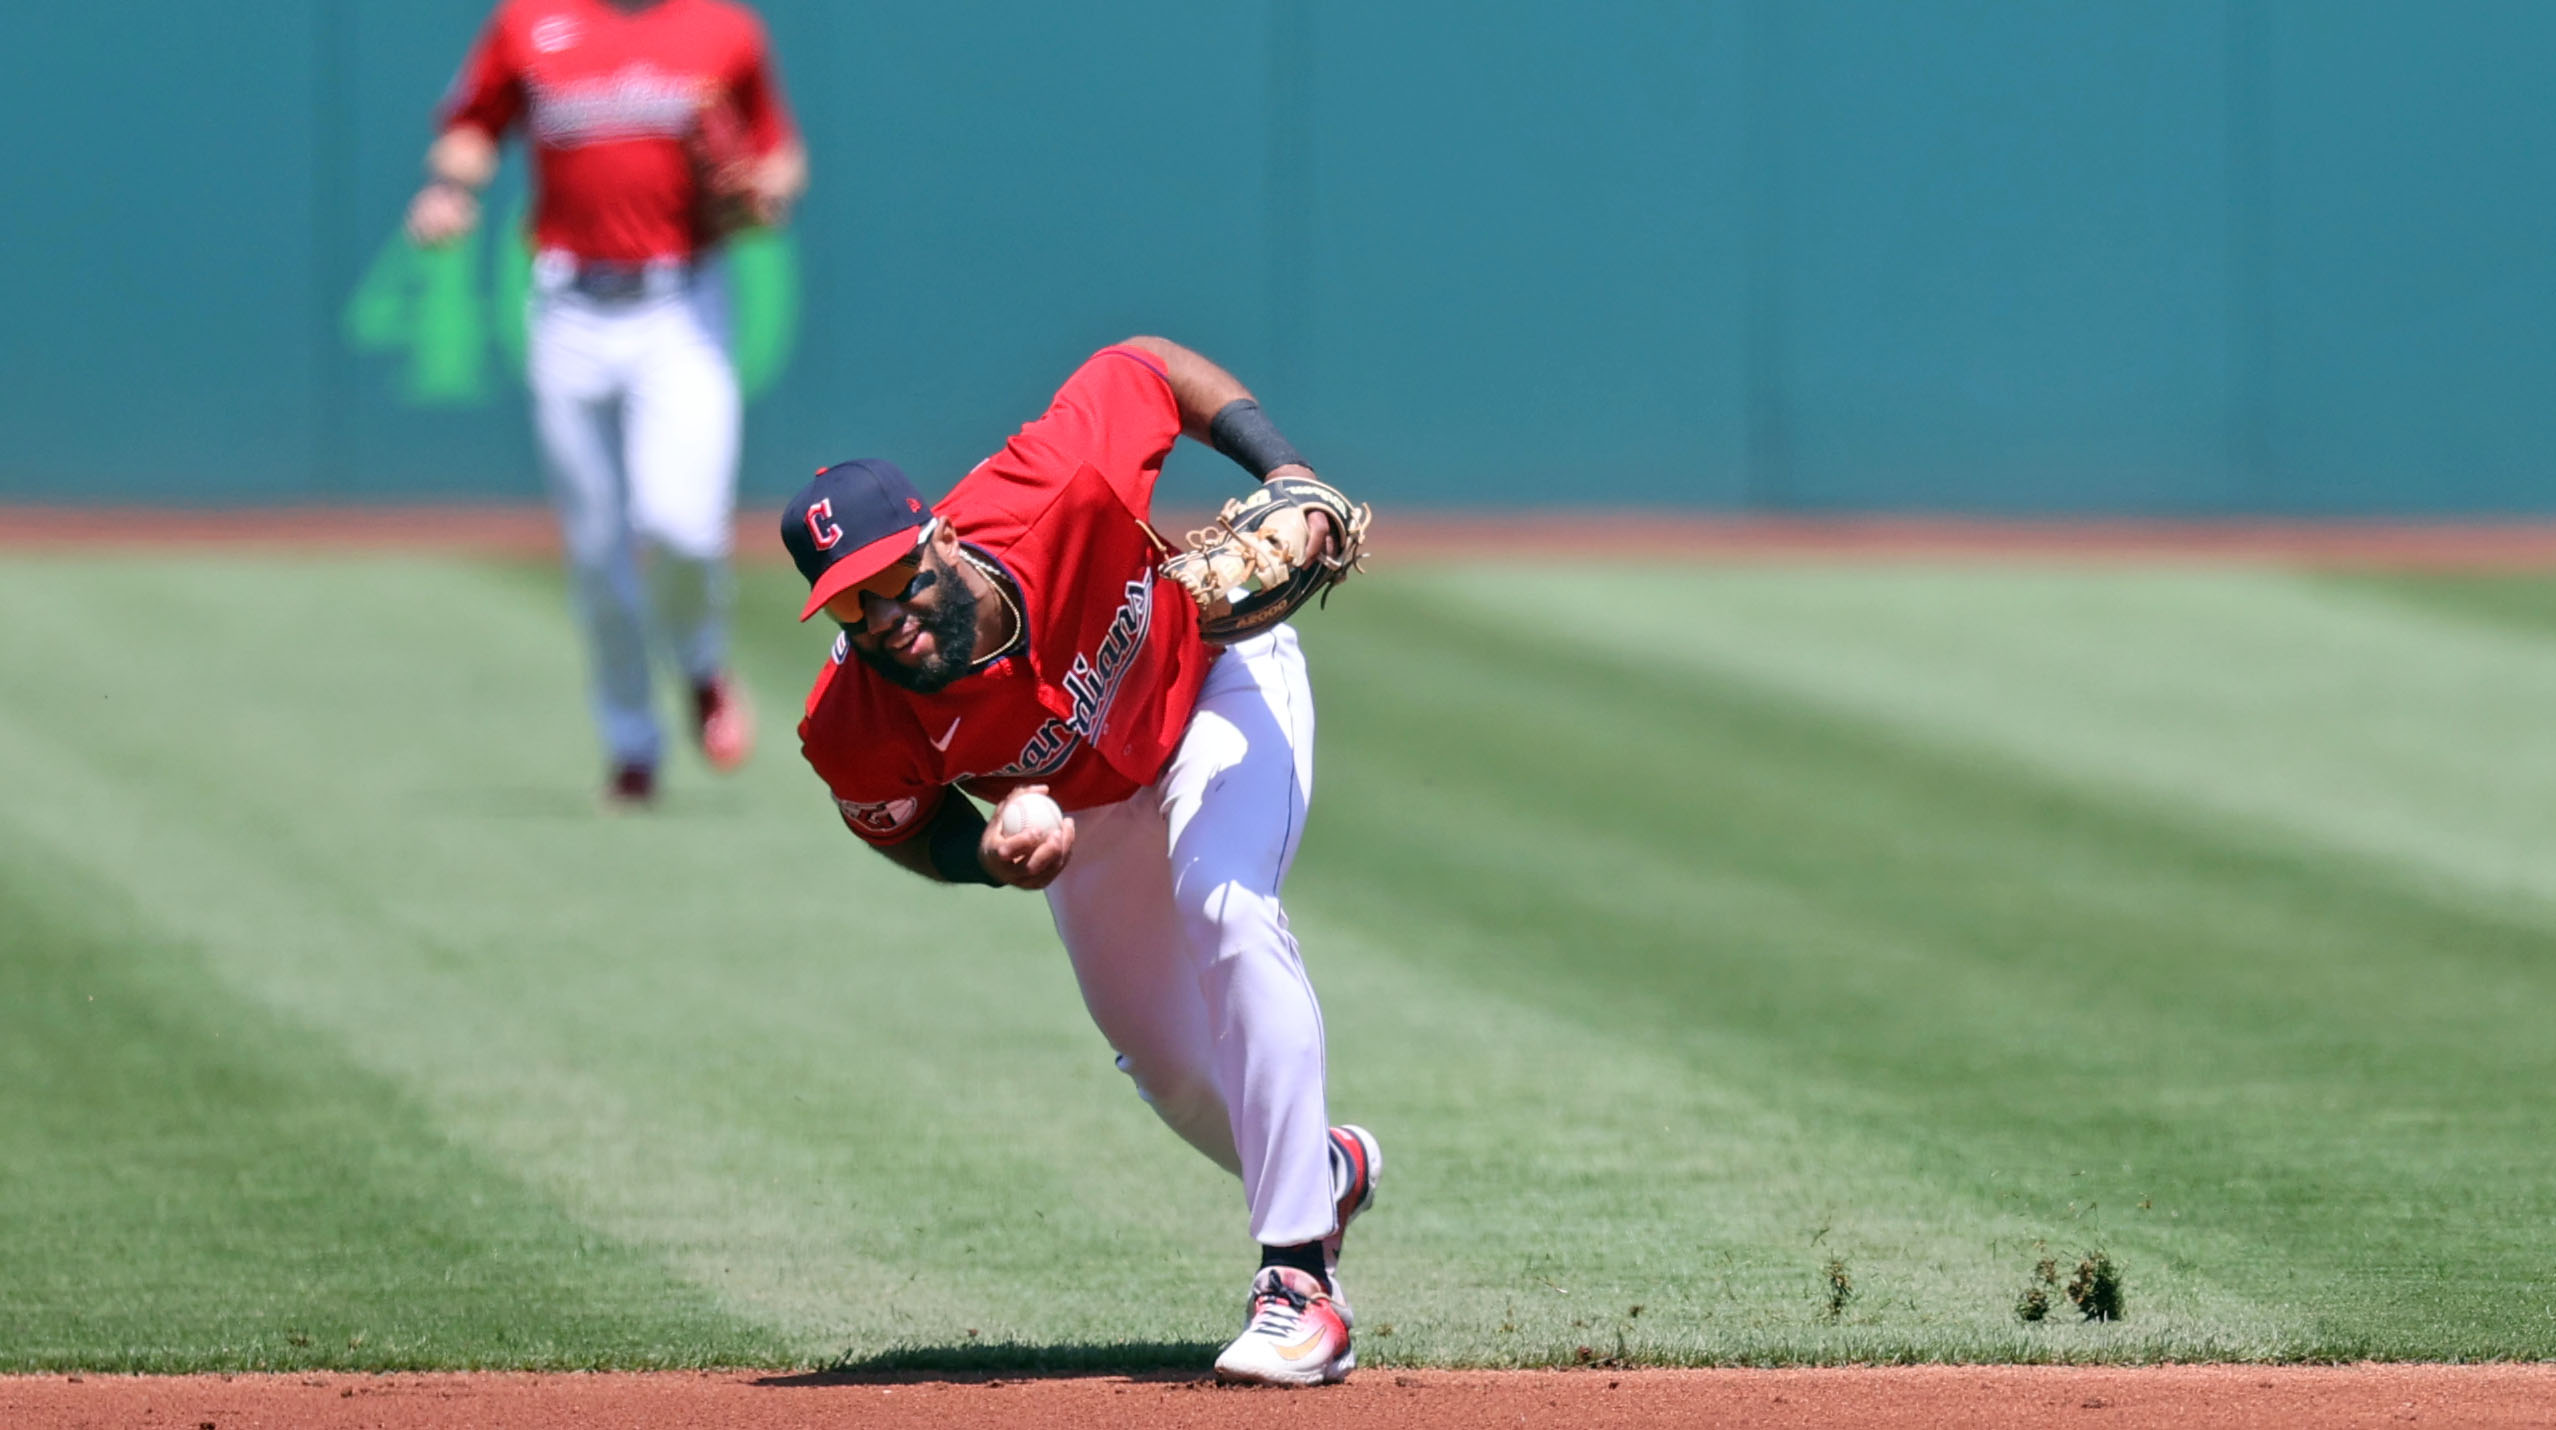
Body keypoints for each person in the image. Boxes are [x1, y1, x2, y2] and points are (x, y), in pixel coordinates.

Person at [782, 338, 1380, 1386]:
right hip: (1084, 816)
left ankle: (1299, 1284)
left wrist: (1281, 472)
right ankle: (1321, 1171)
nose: (883, 619)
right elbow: (905, 826)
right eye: (849, 603)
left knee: (1228, 906)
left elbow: (1146, 364)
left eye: (892, 580)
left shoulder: (1053, 480)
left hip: (1217, 690)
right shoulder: (853, 720)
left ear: (942, 536)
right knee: (1174, 1068)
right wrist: (991, 860)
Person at [406, 0, 808, 805]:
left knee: (682, 526)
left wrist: (760, 191)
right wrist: (450, 188)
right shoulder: (531, 21)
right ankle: (632, 743)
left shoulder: (721, 28)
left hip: (681, 300)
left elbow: (779, 158)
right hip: (570, 307)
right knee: (595, 550)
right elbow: (473, 124)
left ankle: (700, 667)